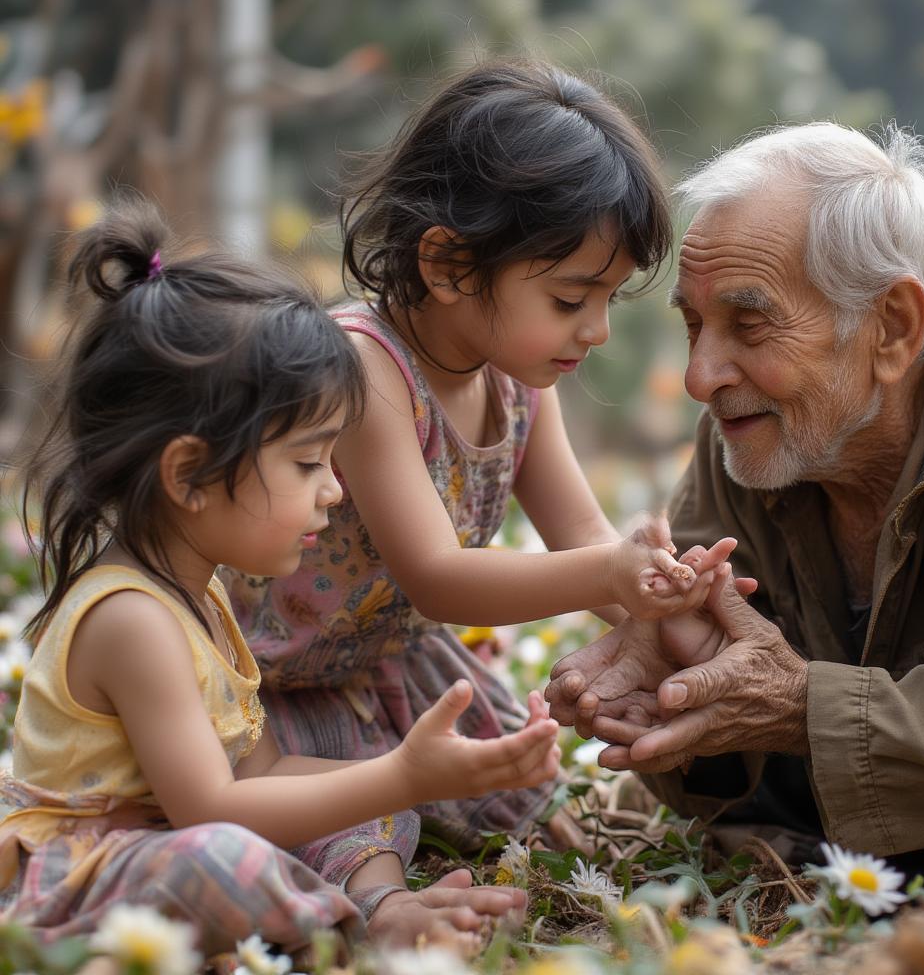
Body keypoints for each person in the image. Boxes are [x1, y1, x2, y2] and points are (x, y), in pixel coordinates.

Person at [0, 201, 563, 961]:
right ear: (190, 474)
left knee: (354, 797)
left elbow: (260, 769)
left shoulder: (197, 597)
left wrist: (408, 779)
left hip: (171, 849)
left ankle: (372, 905)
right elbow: (212, 809)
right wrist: (401, 775)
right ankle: (359, 929)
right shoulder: (132, 618)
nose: (333, 491)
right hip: (86, 873)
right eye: (307, 464)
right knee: (228, 860)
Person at [224, 59, 734, 870]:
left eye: (609, 299)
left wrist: (675, 614)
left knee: (522, 794)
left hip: (392, 661)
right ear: (450, 265)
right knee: (358, 837)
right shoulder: (364, 369)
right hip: (274, 677)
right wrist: (612, 573)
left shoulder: (519, 384)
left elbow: (582, 536)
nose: (596, 330)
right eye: (571, 300)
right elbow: (438, 576)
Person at [547, 121, 924, 898]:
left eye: (750, 322)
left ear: (893, 328)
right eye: (693, 324)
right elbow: (733, 736)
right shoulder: (752, 435)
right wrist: (672, 684)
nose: (700, 377)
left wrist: (801, 709)